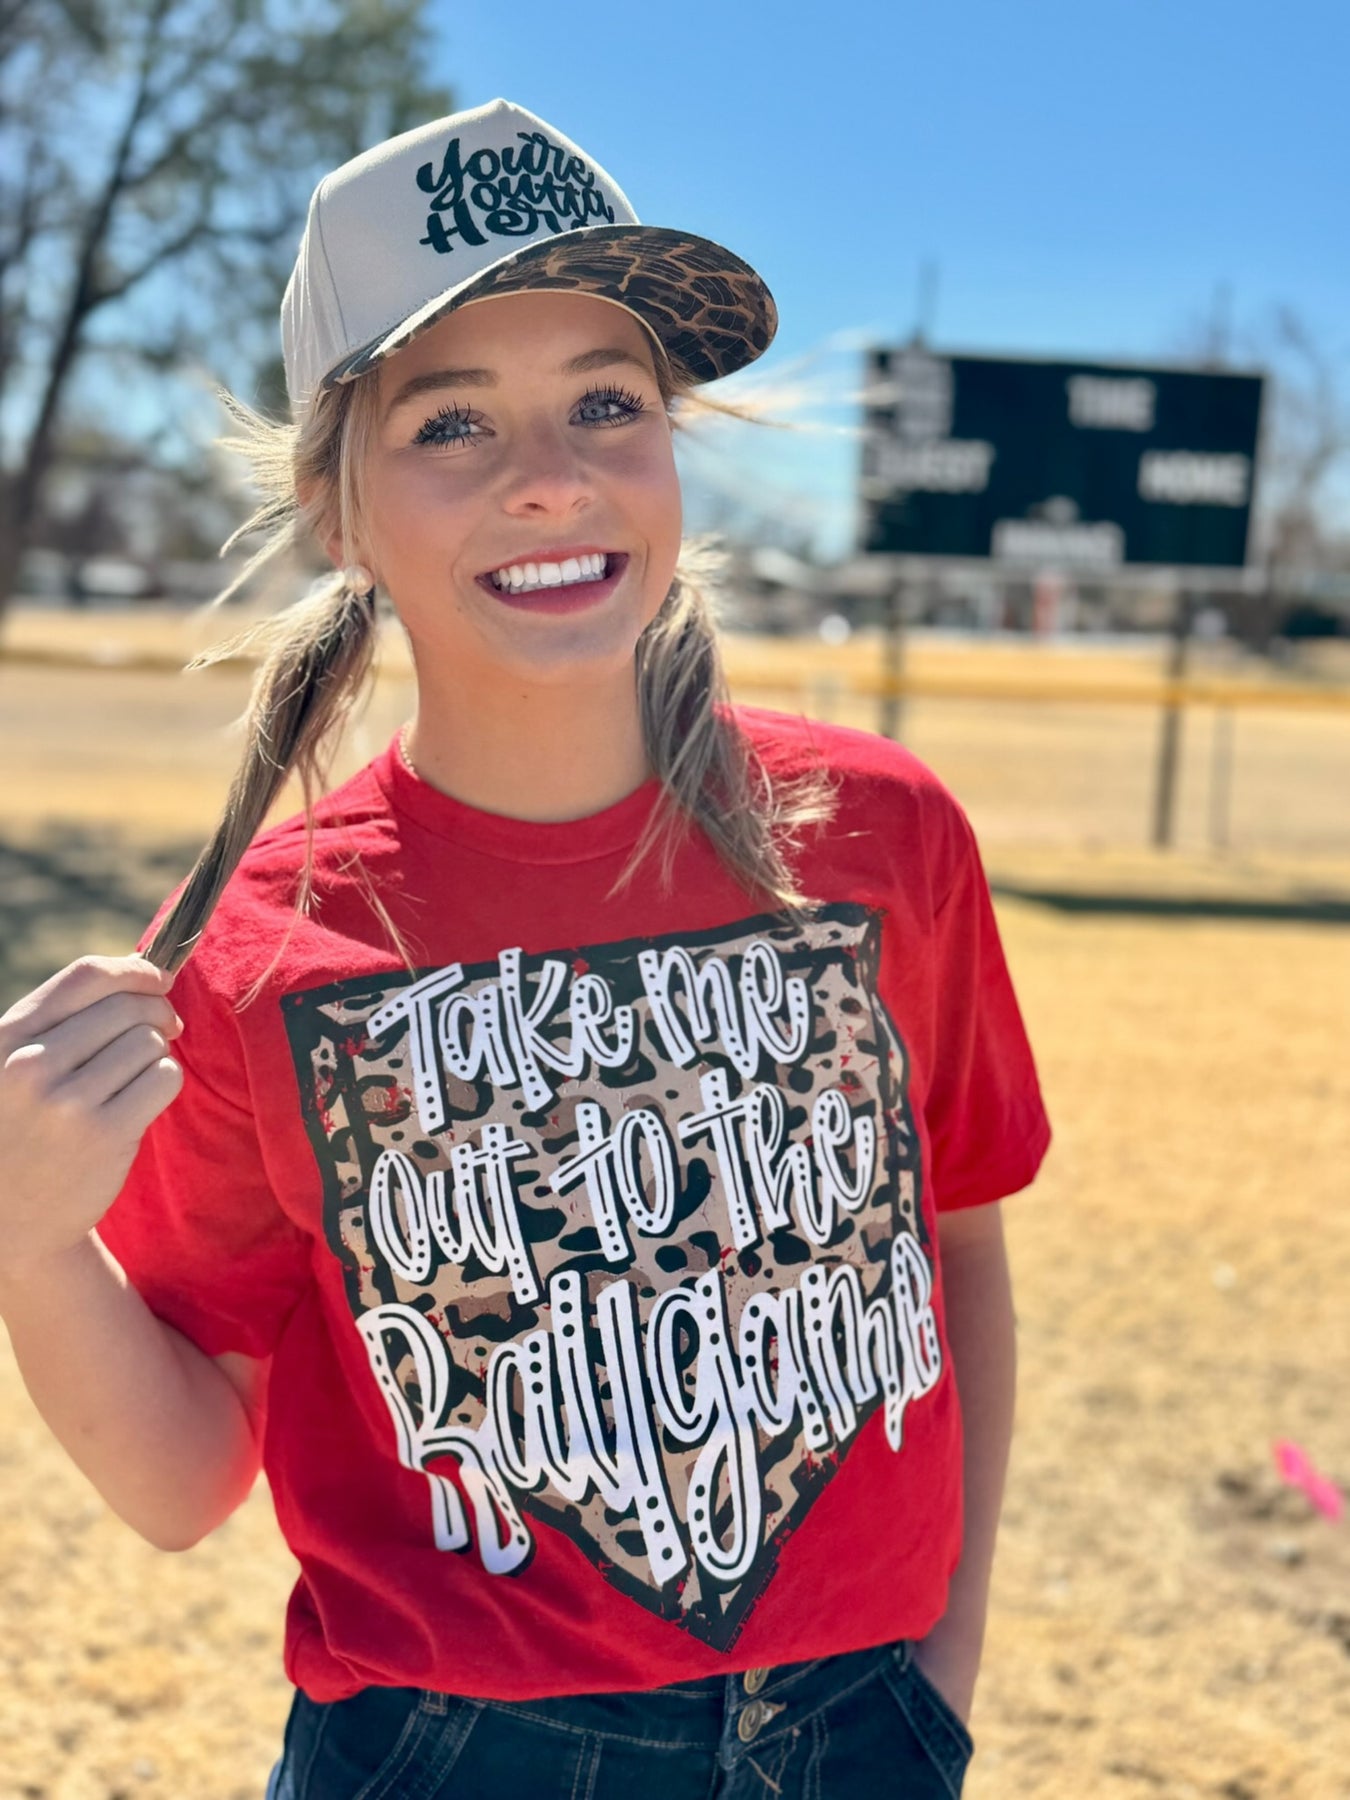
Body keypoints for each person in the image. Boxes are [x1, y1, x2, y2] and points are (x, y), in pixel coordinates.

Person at [0, 100, 1050, 1798]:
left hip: (859, 1728)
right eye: (450, 422)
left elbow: (954, 1244)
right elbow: (183, 1482)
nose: (548, 474)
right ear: (337, 509)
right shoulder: (255, 949)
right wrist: (30, 1244)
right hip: (451, 1751)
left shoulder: (879, 835)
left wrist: (944, 1664)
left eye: (606, 401)